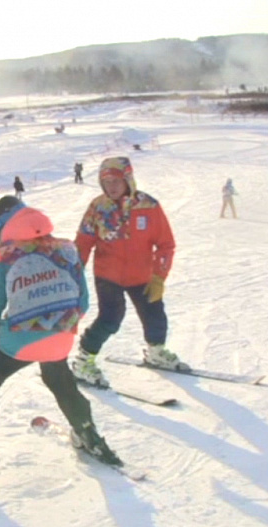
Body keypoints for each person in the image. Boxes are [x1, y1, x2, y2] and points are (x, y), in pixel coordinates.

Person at [0, 195, 123, 489]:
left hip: (17, 342)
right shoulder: (66, 248)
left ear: (0, 228)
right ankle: (88, 434)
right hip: (60, 337)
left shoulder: (3, 255)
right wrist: (58, 325)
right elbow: (81, 300)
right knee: (60, 379)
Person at [70, 156, 187, 388]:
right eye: (107, 182)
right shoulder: (98, 208)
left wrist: (158, 277)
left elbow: (165, 244)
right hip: (108, 275)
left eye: (117, 181)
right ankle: (83, 360)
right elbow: (83, 242)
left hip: (142, 275)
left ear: (128, 180)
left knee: (154, 314)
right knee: (111, 318)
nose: (111, 186)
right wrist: (73, 274)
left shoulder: (149, 206)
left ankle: (156, 352)